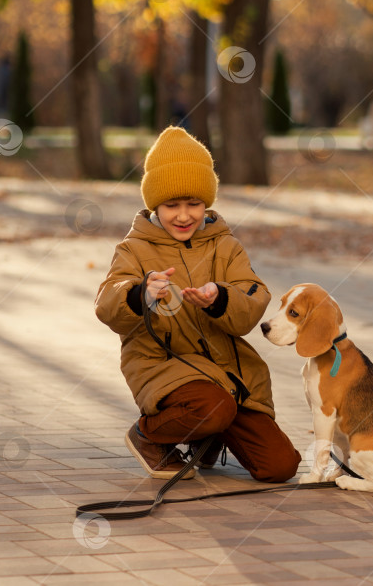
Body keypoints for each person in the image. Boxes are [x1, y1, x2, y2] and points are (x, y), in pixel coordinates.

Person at [95, 127, 301, 482]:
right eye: (171, 205)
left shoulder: (226, 246)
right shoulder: (134, 249)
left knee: (281, 466)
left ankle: (207, 436)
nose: (184, 215)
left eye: (194, 203)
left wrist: (220, 298)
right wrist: (140, 292)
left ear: (207, 203)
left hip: (227, 375)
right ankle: (148, 435)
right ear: (154, 204)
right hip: (161, 365)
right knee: (213, 405)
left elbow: (253, 297)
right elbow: (107, 301)